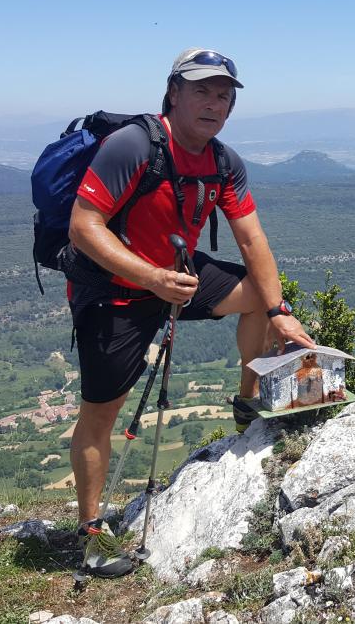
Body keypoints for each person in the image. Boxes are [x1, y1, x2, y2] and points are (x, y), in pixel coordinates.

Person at [66, 48, 314, 577]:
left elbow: (253, 240)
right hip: (116, 290)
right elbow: (83, 226)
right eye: (201, 90)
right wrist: (151, 278)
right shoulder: (133, 145)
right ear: (173, 92)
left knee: (255, 296)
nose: (214, 103)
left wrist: (280, 311)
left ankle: (246, 399)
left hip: (176, 275)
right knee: (101, 412)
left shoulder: (224, 162)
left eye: (224, 95)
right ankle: (89, 532)